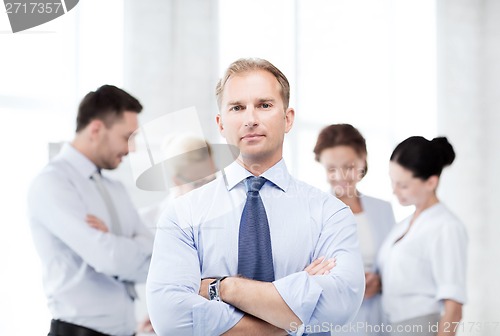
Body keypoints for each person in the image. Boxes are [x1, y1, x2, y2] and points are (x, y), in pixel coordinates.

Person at [147, 58, 365, 335]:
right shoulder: (183, 215)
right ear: (221, 124)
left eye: (264, 105)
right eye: (237, 107)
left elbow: (339, 306)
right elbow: (171, 319)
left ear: (288, 119)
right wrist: (294, 310)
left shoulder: (330, 214)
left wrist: (223, 287)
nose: (251, 119)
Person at [27, 85, 154, 336]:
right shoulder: (53, 183)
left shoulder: (115, 188)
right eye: (127, 137)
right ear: (96, 129)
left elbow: (154, 259)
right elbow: (110, 259)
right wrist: (125, 247)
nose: (132, 149)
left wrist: (115, 243)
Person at [377, 136, 467, 336]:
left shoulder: (446, 227)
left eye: (403, 185)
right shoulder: (403, 226)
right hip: (390, 326)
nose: (394, 190)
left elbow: (453, 309)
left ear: (431, 182)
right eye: (392, 181)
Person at [313, 124, 395, 335]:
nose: (341, 176)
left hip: (378, 316)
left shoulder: (383, 209)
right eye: (331, 169)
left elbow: (394, 263)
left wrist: (380, 282)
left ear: (363, 160)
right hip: (336, 321)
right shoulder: (314, 212)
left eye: (349, 166)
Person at [139, 134, 217, 228]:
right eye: (199, 183)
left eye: (213, 180)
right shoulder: (146, 223)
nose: (208, 189)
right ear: (177, 181)